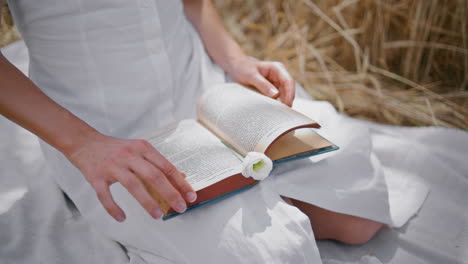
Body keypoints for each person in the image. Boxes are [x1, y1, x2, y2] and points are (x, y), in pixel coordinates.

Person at [1, 0, 385, 262]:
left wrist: (235, 60)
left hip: (202, 87)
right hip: (102, 131)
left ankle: (253, 198)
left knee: (358, 210)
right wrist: (83, 145)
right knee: (270, 254)